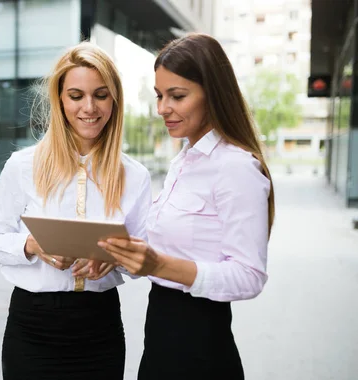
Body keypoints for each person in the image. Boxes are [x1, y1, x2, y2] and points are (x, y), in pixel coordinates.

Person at [99, 33, 275, 379]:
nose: (163, 108)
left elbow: (249, 276)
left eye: (177, 96)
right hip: (161, 335)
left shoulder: (236, 167)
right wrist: (117, 251)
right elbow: (170, 246)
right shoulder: (184, 160)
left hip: (201, 348)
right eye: (159, 95)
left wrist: (159, 264)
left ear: (213, 93)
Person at [0, 41, 151, 380]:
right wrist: (31, 245)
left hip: (98, 327)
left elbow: (143, 261)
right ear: (60, 100)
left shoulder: (135, 175)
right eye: (76, 96)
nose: (89, 107)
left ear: (114, 99)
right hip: (32, 326)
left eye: (101, 95)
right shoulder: (22, 166)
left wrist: (117, 258)